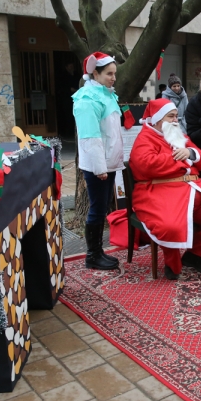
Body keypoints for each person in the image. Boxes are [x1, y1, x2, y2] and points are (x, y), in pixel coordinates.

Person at [129, 98, 201, 280]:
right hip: (160, 194)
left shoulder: (179, 135)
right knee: (170, 227)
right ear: (157, 119)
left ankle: (195, 255)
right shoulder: (145, 138)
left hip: (192, 191)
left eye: (176, 116)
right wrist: (181, 160)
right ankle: (172, 263)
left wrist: (191, 153)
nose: (174, 121)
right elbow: (145, 165)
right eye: (170, 116)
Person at [73, 52, 126, 270]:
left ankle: (98, 252)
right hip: (99, 166)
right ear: (95, 73)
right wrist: (99, 168)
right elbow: (90, 137)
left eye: (115, 73)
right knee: (97, 208)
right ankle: (92, 255)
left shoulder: (105, 94)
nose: (113, 78)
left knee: (102, 207)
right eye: (109, 74)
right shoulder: (87, 99)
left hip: (108, 164)